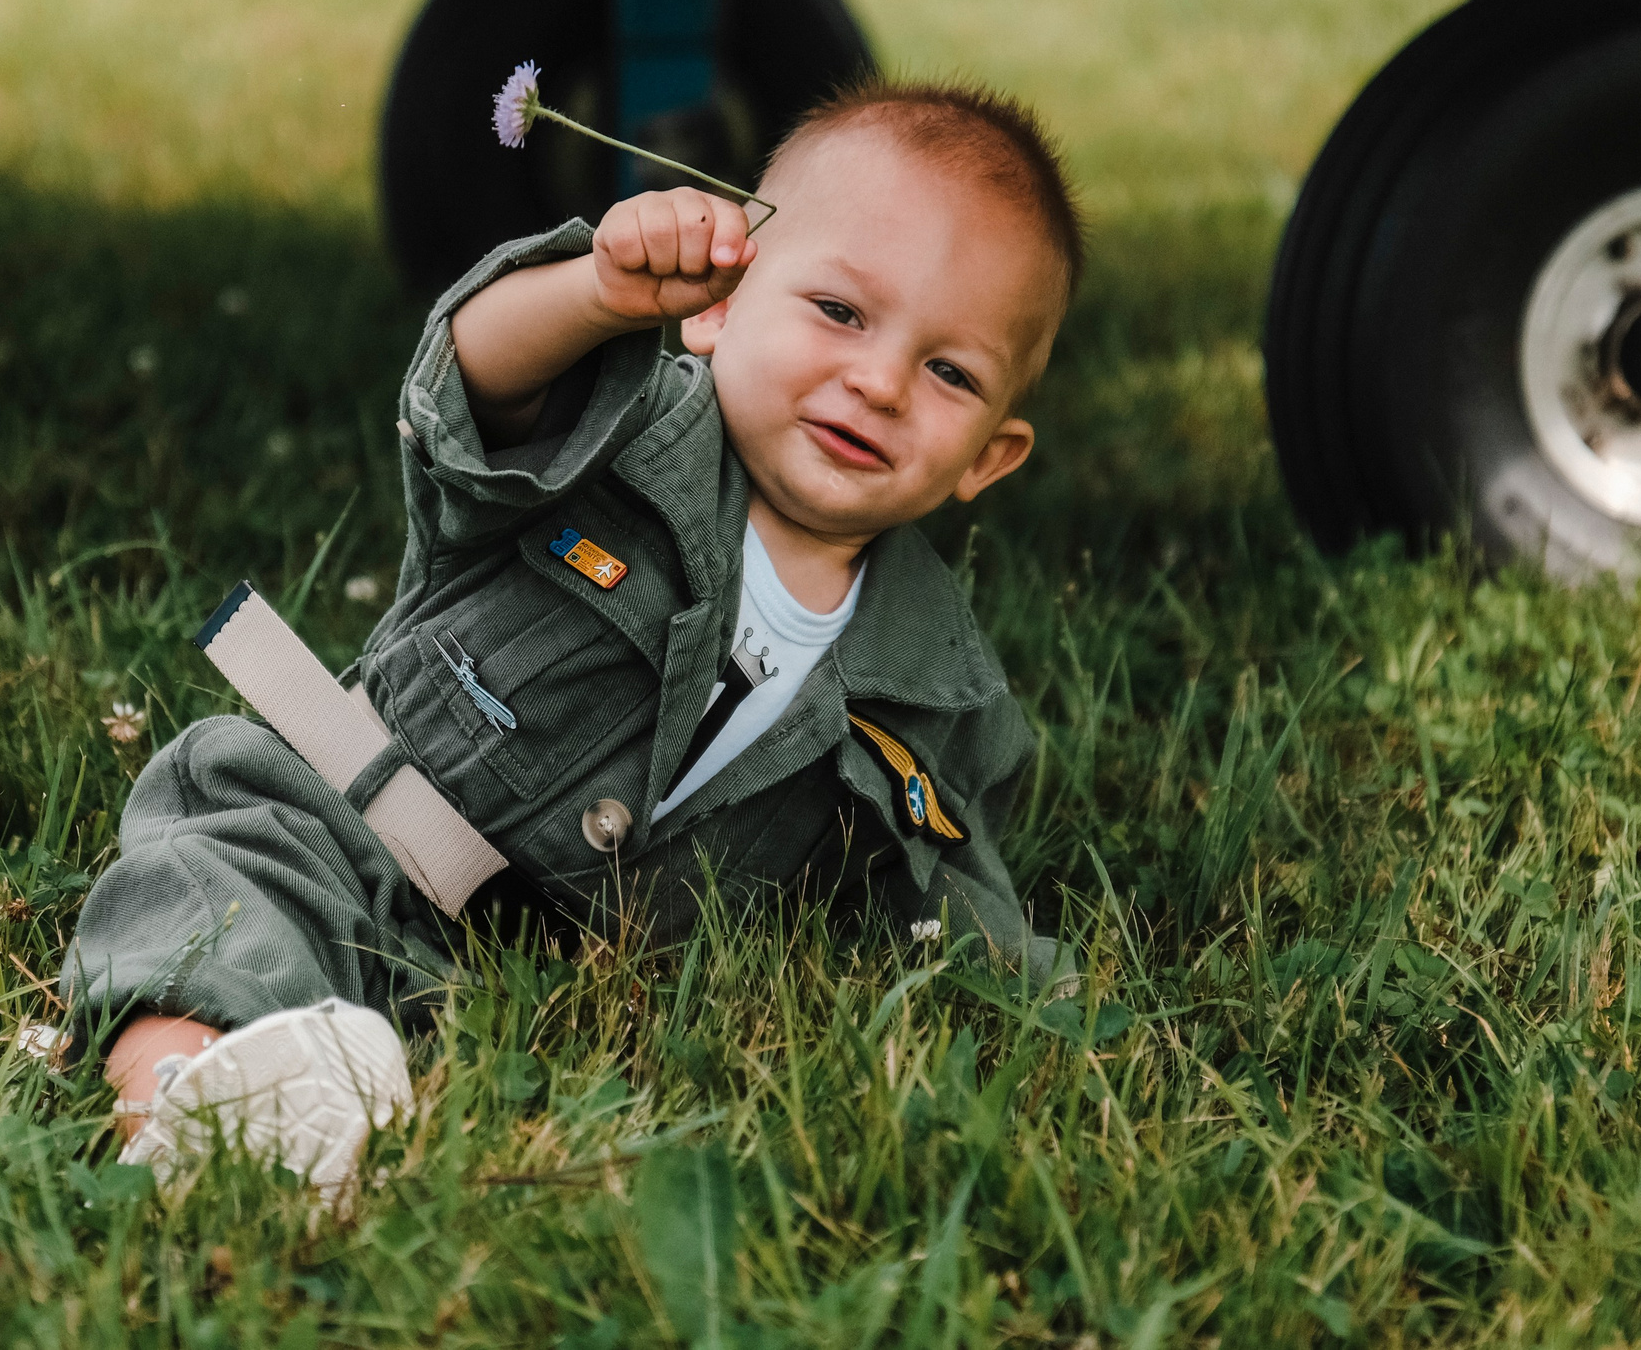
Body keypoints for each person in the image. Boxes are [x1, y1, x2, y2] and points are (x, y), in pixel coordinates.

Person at [61, 80, 1085, 1195]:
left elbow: (956, 908)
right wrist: (596, 290)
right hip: (362, 826)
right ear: (719, 306)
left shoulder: (940, 691)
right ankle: (180, 1106)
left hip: (552, 980)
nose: (879, 381)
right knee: (212, 874)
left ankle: (333, 1086)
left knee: (407, 1005)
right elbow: (476, 375)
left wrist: (1049, 1023)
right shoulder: (623, 429)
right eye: (839, 312)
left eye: (951, 373)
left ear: (989, 455)